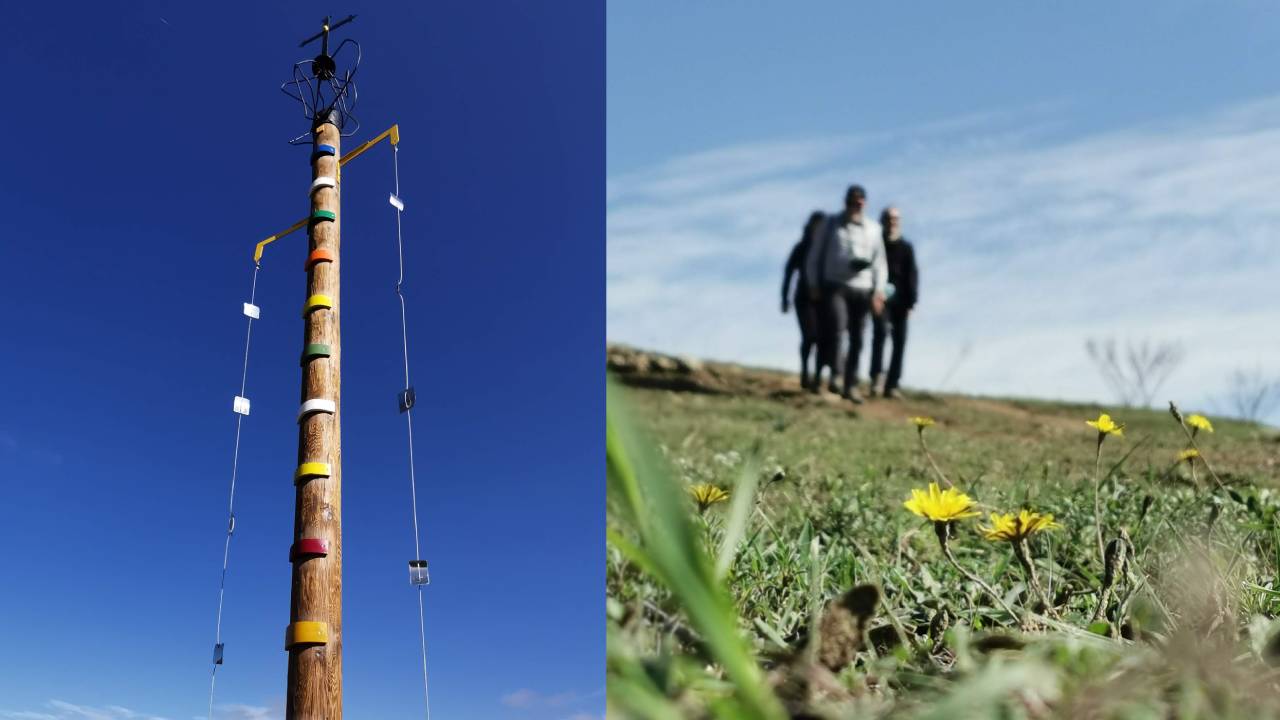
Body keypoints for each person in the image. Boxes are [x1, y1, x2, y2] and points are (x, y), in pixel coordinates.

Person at [805, 184, 887, 403]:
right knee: (837, 329)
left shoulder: (874, 229)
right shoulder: (830, 224)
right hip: (835, 285)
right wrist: (813, 283)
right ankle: (837, 375)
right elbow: (814, 256)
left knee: (858, 338)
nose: (856, 206)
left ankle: (851, 385)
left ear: (865, 203)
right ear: (846, 202)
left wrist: (879, 291)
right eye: (852, 202)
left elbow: (880, 263)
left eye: (860, 202)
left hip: (863, 288)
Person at [869, 206, 918, 399]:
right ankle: (876, 379)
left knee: (900, 341)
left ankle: (893, 384)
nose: (892, 222)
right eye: (889, 219)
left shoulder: (906, 248)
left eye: (896, 219)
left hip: (901, 302)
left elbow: (912, 275)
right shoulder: (876, 245)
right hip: (880, 297)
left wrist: (911, 303)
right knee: (880, 334)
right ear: (882, 221)